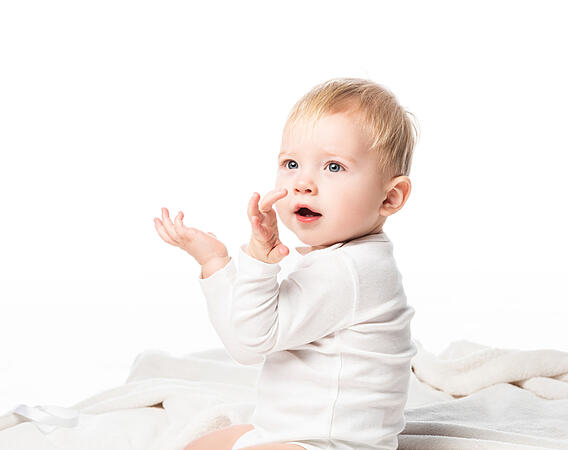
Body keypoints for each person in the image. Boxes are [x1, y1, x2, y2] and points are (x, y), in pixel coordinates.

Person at [153, 77, 419, 450]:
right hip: (284, 435)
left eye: (334, 167)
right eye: (291, 163)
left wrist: (260, 262)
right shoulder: (343, 258)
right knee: (199, 445)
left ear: (390, 197)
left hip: (329, 445)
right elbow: (244, 341)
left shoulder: (349, 271)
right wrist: (214, 263)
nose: (303, 183)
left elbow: (250, 342)